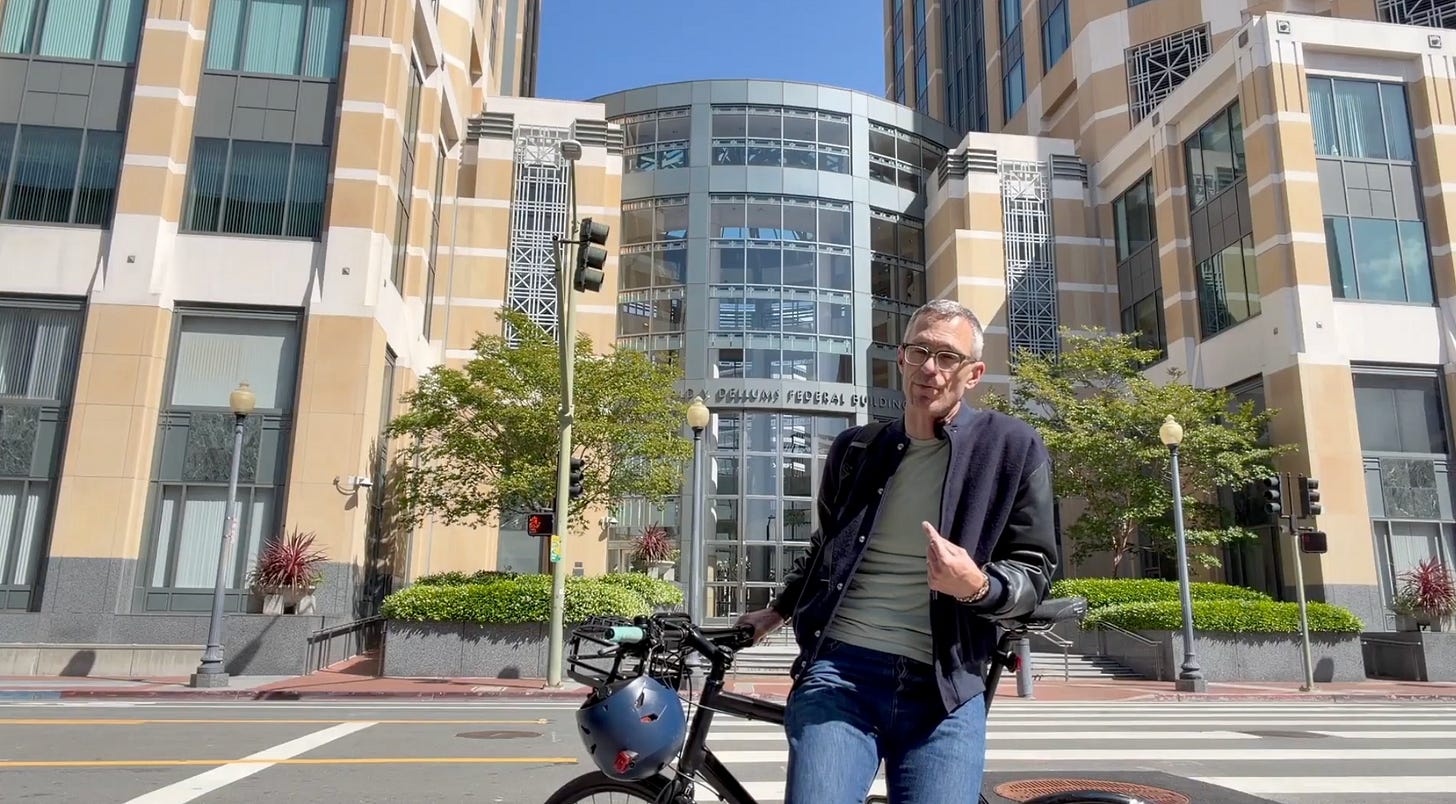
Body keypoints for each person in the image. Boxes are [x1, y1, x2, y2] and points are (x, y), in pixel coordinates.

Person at [734, 299, 1059, 804]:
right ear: (902, 358)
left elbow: (1034, 569)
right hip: (842, 673)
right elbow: (826, 551)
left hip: (946, 684)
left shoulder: (1011, 447)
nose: (930, 368)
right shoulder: (856, 450)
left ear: (973, 374)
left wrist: (977, 587)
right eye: (919, 351)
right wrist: (777, 612)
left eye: (947, 357)